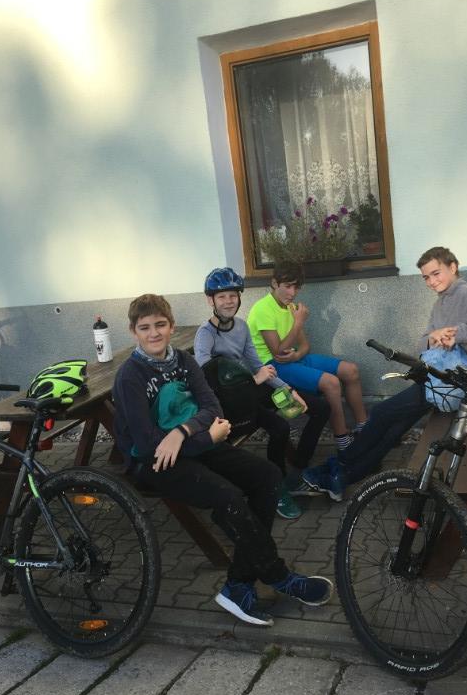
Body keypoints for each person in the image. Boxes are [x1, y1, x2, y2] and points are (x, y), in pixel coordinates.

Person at [112, 293, 332, 627]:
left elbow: (211, 406)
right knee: (228, 497)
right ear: (133, 332)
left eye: (160, 325)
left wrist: (182, 431)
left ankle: (239, 584)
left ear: (171, 326)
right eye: (145, 328)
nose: (154, 333)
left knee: (267, 476)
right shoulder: (130, 376)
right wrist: (202, 437)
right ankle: (277, 575)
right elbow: (146, 445)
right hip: (155, 464)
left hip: (194, 444)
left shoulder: (183, 361)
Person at [298, 246, 467, 500]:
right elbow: (422, 343)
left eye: (436, 273)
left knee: (382, 413)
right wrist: (432, 338)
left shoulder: (466, 294)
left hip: (454, 382)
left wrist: (457, 333)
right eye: (426, 277)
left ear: (453, 267)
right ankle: (350, 473)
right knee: (395, 426)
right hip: (439, 378)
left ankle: (341, 464)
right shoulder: (442, 301)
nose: (431, 282)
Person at [194, 267, 330, 520]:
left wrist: (287, 390)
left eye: (233, 296)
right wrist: (253, 380)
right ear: (210, 300)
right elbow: (205, 377)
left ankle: (288, 478)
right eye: (221, 297)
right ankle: (273, 490)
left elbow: (257, 365)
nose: (228, 301)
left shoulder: (241, 327)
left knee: (303, 414)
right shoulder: (205, 334)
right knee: (277, 428)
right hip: (224, 406)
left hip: (247, 393)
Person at [246, 260, 368, 453]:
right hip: (270, 367)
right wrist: (298, 323)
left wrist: (296, 356)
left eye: (296, 287)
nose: (292, 293)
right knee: (331, 383)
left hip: (291, 359)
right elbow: (277, 352)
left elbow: (305, 346)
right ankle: (343, 440)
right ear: (275, 283)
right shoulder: (263, 309)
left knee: (350, 370)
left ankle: (364, 427)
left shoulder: (290, 307)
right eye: (288, 286)